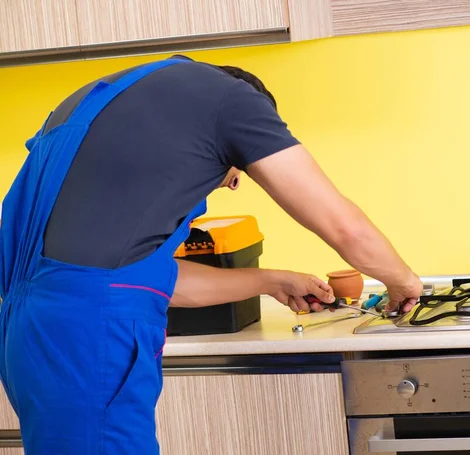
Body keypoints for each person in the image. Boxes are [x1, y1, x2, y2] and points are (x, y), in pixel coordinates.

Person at [0, 55, 422, 454]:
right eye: (235, 176)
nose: (227, 186)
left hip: (30, 333)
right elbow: (344, 226)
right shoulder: (233, 101)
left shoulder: (92, 103)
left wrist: (271, 280)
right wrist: (402, 282)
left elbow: (134, 279)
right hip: (90, 340)